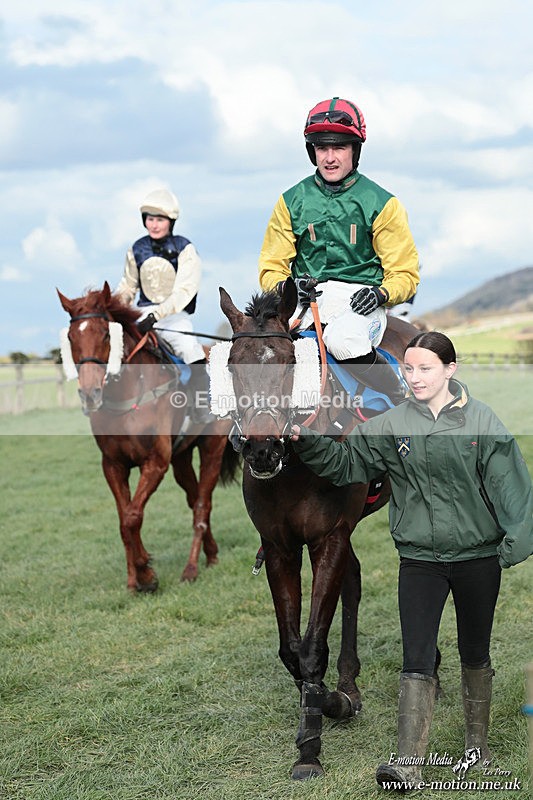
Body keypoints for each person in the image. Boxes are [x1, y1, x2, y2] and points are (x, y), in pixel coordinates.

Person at [290, 331, 533, 790]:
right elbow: (346, 466)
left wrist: (512, 545)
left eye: (425, 368)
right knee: (416, 657)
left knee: (474, 652)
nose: (415, 377)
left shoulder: (482, 421)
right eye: (409, 368)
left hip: (478, 557)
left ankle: (476, 750)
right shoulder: (390, 424)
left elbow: (512, 485)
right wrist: (305, 440)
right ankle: (407, 764)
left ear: (450, 370)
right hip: (419, 559)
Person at [258, 96, 420, 405]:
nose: (329, 157)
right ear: (312, 152)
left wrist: (380, 294)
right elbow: (271, 266)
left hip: (361, 304)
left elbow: (405, 274)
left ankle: (400, 400)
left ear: (355, 151)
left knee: (342, 341)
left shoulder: (383, 203)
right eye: (322, 148)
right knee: (255, 348)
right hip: (305, 304)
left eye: (339, 147)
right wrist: (286, 288)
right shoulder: (289, 201)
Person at [115, 188, 211, 423]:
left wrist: (157, 315)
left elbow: (184, 291)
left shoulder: (185, 248)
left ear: (170, 222)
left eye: (160, 220)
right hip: (142, 314)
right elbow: (128, 286)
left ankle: (202, 408)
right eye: (150, 219)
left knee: (192, 352)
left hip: (175, 317)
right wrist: (113, 306)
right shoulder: (136, 249)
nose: (154, 225)